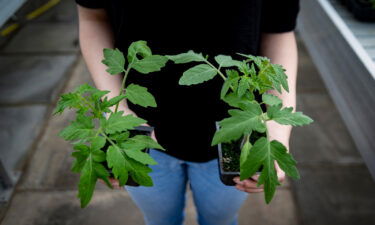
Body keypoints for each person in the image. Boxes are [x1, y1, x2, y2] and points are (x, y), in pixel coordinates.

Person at [75, 0, 300, 224]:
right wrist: (115, 107)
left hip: (238, 136)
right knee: (160, 220)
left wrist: (277, 123)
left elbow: (279, 31)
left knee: (219, 220)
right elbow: (92, 17)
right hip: (139, 131)